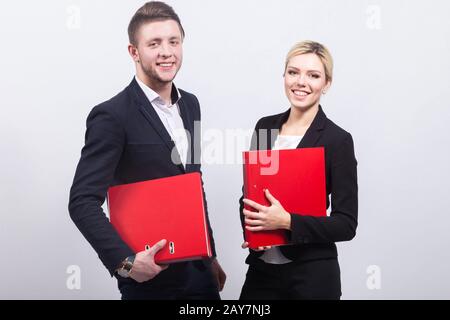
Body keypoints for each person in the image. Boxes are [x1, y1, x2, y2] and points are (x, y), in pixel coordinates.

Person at [68, 1, 225, 300]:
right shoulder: (112, 116)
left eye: (173, 41)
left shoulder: (191, 105)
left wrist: (210, 254)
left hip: (201, 277)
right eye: (154, 43)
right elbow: (81, 202)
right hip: (150, 281)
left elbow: (193, 182)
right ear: (134, 52)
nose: (166, 51)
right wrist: (125, 263)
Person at [239, 40, 358, 300]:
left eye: (313, 75)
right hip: (262, 273)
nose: (300, 82)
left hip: (312, 277)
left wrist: (287, 222)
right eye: (293, 72)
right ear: (284, 76)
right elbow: (248, 195)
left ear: (327, 84)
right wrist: (254, 234)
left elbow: (346, 224)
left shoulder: (337, 140)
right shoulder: (265, 127)